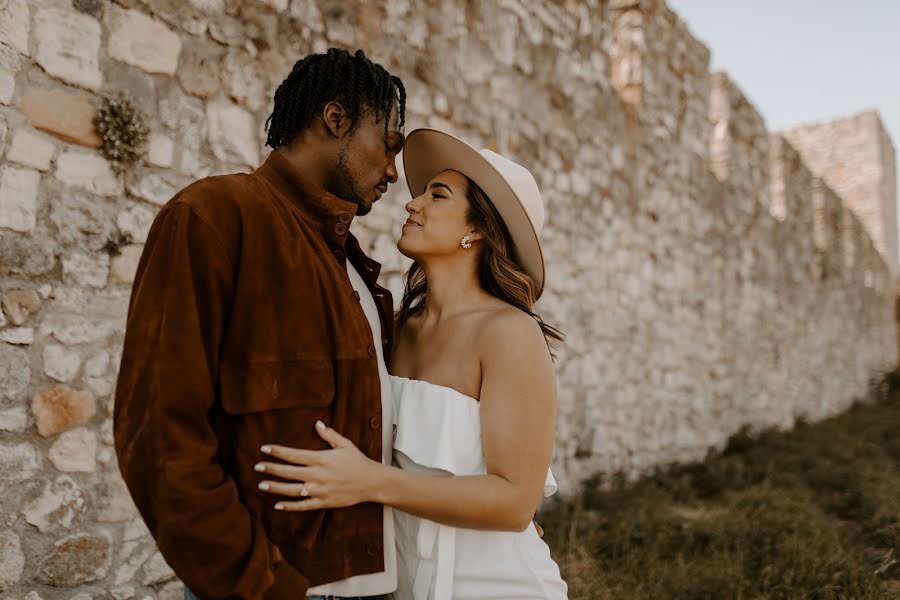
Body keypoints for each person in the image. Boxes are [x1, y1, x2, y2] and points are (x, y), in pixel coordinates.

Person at [113, 48, 406, 600]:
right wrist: (261, 586)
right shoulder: (212, 217)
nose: (393, 171)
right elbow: (158, 436)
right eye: (388, 144)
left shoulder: (352, 265)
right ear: (335, 119)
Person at [254, 128, 569, 599]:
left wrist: (369, 482)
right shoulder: (395, 328)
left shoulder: (509, 332)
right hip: (404, 587)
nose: (411, 204)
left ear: (477, 228)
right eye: (420, 192)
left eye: (436, 195)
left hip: (495, 586)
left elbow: (514, 503)